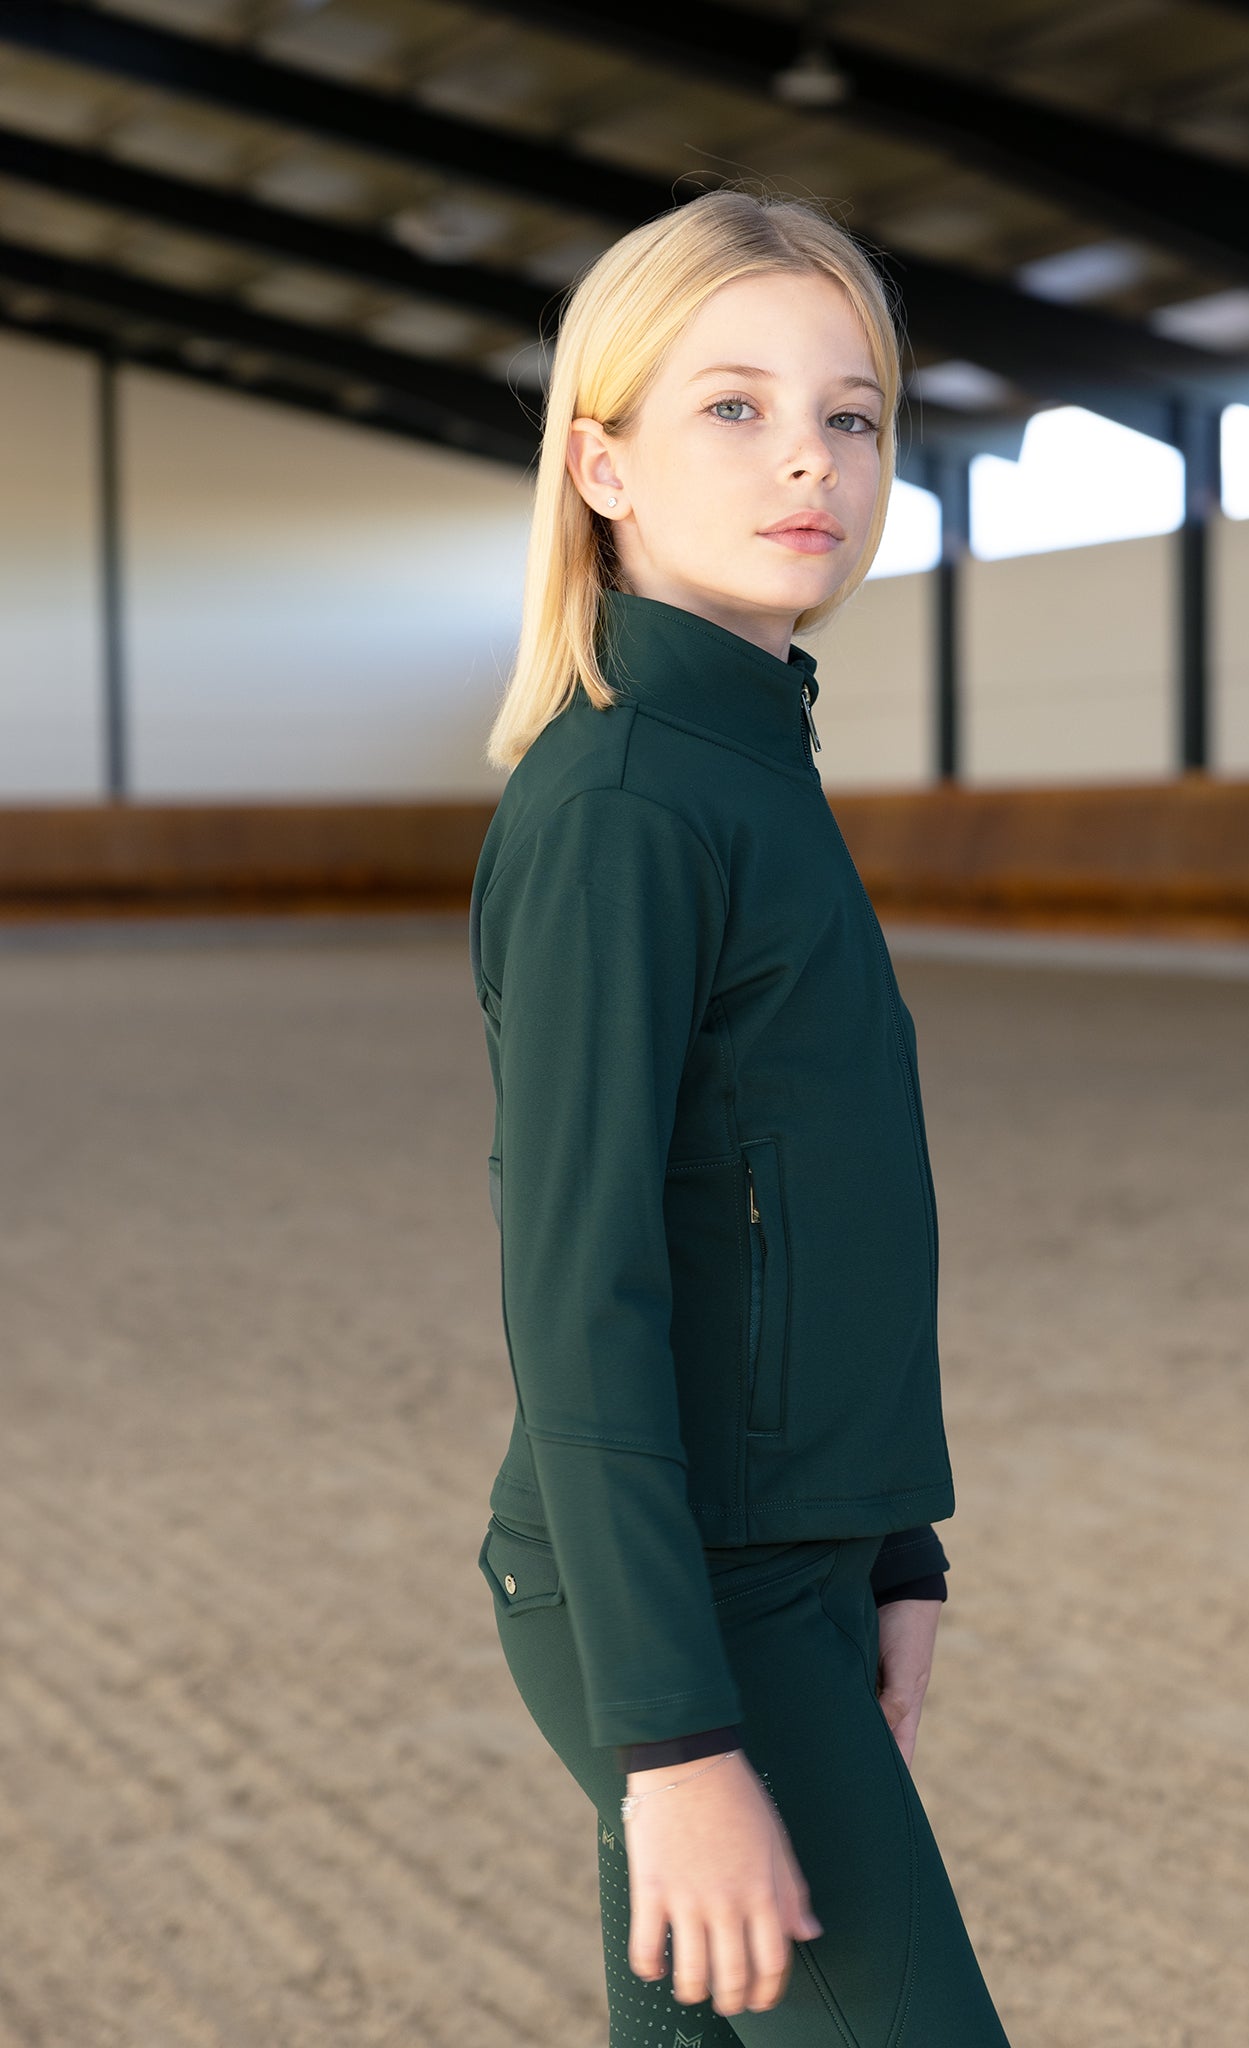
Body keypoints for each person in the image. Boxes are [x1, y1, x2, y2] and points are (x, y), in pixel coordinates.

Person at [468, 182, 1012, 2043]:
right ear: (601, 463)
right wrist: (675, 1741)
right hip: (683, 1603)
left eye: (853, 415)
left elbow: (822, 1191)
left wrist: (896, 1543)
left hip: (791, 1559)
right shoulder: (627, 804)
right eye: (735, 406)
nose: (811, 459)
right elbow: (581, 1289)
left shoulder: (751, 761)